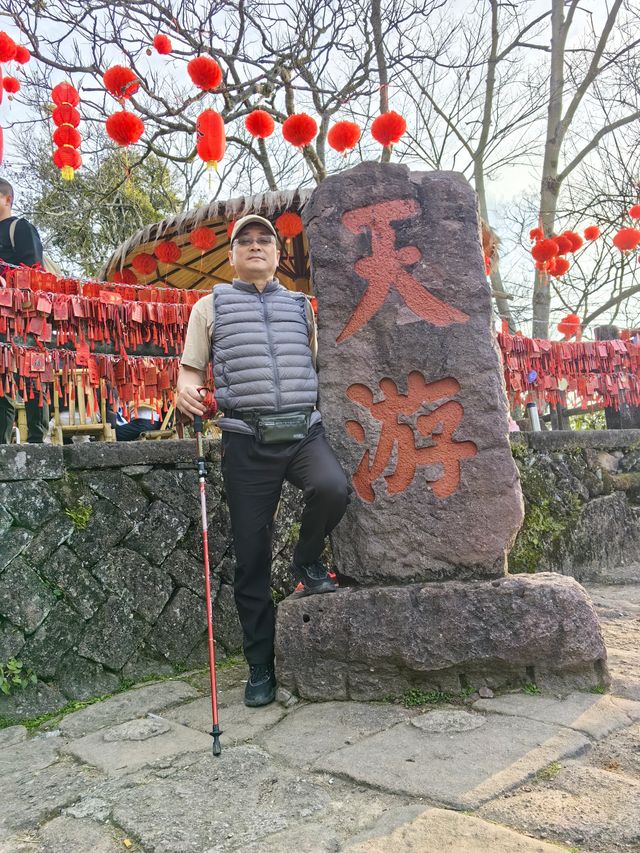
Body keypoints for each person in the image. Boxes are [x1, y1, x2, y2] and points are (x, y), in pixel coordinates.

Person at [177, 214, 349, 708]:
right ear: (231, 256)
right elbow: (189, 374)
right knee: (251, 556)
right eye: (244, 242)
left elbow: (316, 364)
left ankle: (307, 559)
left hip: (302, 431)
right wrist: (187, 394)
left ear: (277, 255)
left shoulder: (301, 307)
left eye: (264, 241)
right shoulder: (208, 308)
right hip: (245, 439)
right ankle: (260, 665)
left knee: (332, 488)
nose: (255, 247)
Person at [0, 179, 49, 444]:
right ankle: (2, 441)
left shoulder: (19, 228)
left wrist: (6, 279)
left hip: (23, 315)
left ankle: (37, 439)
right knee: (1, 380)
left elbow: (33, 270)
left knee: (31, 372)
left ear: (8, 199)